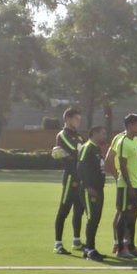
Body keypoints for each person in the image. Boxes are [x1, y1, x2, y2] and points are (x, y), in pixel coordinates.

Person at [52, 107, 86, 254]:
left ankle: (76, 241)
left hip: (80, 177)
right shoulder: (63, 135)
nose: (78, 121)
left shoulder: (78, 136)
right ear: (67, 119)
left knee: (79, 209)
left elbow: (81, 154)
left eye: (79, 119)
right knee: (64, 209)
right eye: (76, 119)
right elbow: (75, 152)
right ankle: (58, 244)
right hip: (71, 176)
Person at [113, 113, 137, 259]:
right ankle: (120, 248)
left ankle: (131, 246)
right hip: (126, 186)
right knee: (124, 215)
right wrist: (130, 186)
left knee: (133, 216)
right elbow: (123, 166)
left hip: (136, 184)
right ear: (130, 125)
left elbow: (135, 165)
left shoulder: (136, 141)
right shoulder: (123, 142)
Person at [77, 126, 108, 261]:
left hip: (98, 188)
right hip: (90, 190)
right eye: (102, 133)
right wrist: (87, 186)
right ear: (94, 133)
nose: (104, 136)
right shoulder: (87, 147)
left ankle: (91, 248)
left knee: (96, 218)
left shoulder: (96, 148)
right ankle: (89, 249)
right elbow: (80, 166)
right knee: (92, 218)